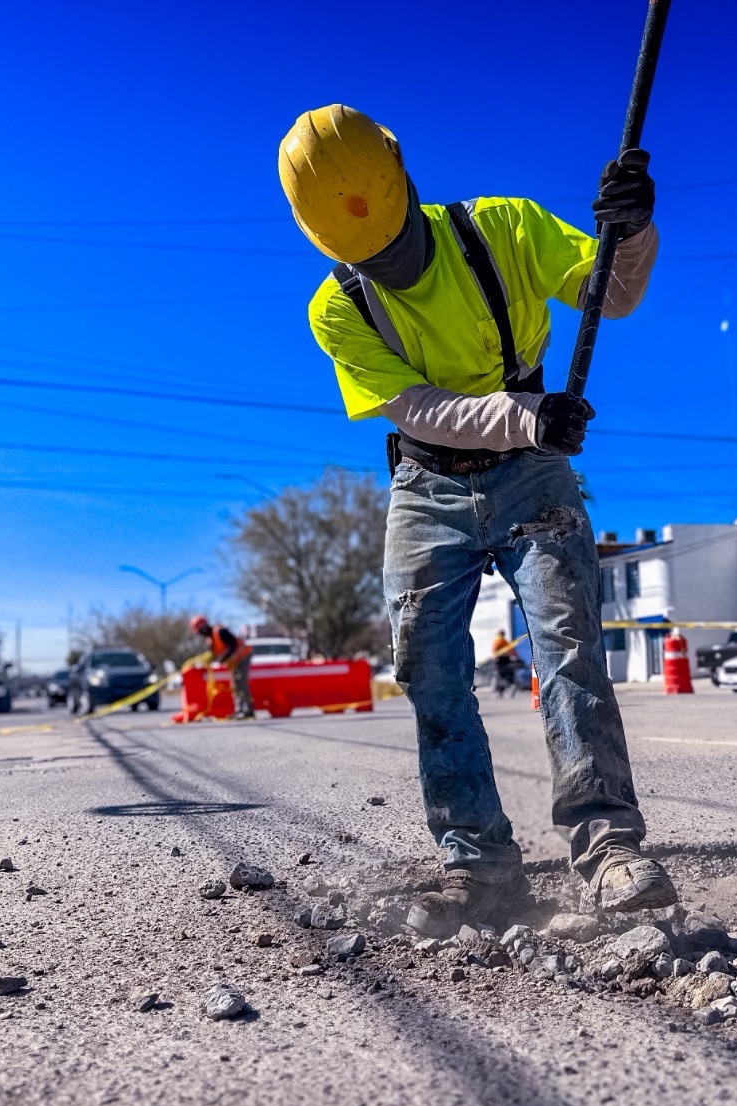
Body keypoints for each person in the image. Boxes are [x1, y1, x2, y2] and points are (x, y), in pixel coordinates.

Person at [281, 104, 676, 921]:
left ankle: (609, 848)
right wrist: (529, 416)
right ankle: (481, 865)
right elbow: (419, 410)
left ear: (409, 186)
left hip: (533, 476)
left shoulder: (503, 228)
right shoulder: (337, 308)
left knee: (567, 650)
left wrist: (629, 232)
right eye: (367, 258)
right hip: (428, 489)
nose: (386, 265)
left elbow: (616, 296)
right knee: (430, 667)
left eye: (393, 245)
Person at [189, 615, 255, 720]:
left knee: (241, 683)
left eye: (200, 631)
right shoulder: (210, 639)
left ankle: (248, 711)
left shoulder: (219, 631)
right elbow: (214, 654)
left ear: (204, 626)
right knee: (235, 685)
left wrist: (220, 660)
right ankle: (239, 711)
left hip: (242, 656)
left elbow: (232, 645)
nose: (200, 634)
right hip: (234, 661)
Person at [490, 630, 517, 697]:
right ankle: (502, 691)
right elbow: (511, 650)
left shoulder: (498, 641)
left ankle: (503, 690)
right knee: (506, 675)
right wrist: (515, 656)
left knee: (501, 675)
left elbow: (495, 650)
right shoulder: (505, 641)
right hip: (507, 659)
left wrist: (495, 658)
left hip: (500, 660)